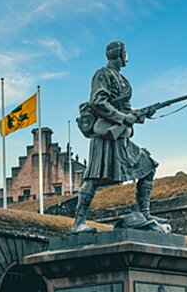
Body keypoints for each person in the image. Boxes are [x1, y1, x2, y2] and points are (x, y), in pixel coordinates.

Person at [72, 40, 170, 234]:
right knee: (93, 179)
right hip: (106, 136)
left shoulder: (121, 79)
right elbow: (98, 101)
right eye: (125, 53)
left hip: (121, 138)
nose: (127, 57)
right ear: (120, 54)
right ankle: (78, 223)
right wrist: (124, 118)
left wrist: (139, 115)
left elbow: (123, 109)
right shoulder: (103, 74)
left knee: (149, 166)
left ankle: (145, 214)